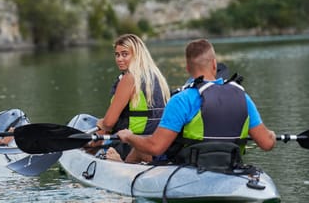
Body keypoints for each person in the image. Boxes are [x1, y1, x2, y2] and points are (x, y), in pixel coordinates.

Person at [116, 38, 276, 166]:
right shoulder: (242, 97)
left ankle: (121, 170)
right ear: (214, 64)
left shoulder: (181, 100)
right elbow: (267, 143)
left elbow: (155, 147)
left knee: (140, 148)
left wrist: (130, 137)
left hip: (189, 168)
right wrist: (272, 135)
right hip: (230, 164)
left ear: (187, 68)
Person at [94, 34, 171, 163]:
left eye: (125, 54)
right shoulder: (157, 77)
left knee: (93, 141)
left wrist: (101, 123)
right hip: (158, 143)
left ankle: (120, 162)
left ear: (137, 55)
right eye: (117, 55)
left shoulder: (129, 79)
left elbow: (108, 123)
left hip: (133, 144)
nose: (119, 59)